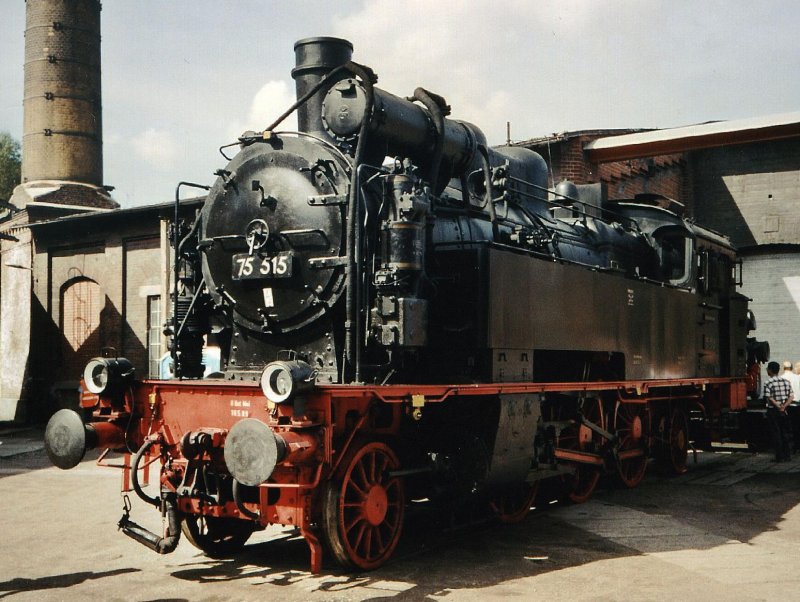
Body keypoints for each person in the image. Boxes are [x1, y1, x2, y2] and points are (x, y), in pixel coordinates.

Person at [764, 361, 794, 462]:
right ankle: (787, 456)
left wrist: (777, 406)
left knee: (776, 433)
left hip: (773, 410)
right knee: (785, 432)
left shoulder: (768, 382)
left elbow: (769, 397)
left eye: (767, 369)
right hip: (784, 410)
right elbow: (791, 396)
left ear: (770, 370)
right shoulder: (786, 382)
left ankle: (779, 456)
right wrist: (784, 407)